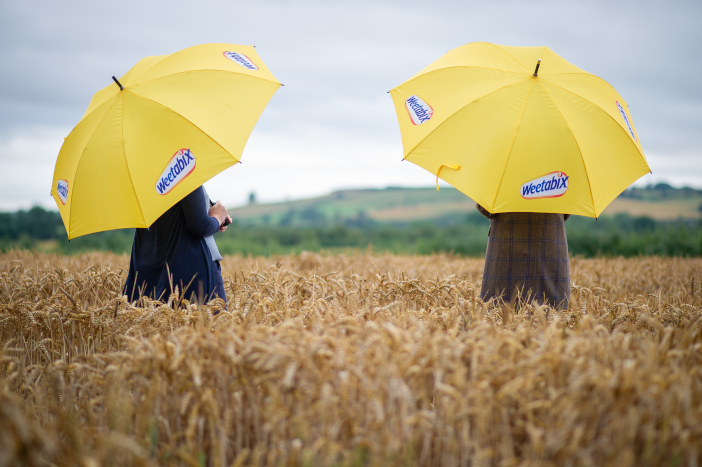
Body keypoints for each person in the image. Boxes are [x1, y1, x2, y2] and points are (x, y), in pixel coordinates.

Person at [123, 185, 231, 305]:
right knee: (207, 323)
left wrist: (209, 214)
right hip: (189, 271)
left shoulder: (140, 177)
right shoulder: (184, 169)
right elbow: (200, 226)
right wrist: (217, 217)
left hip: (148, 269)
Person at [477, 204, 570, 309]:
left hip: (506, 244)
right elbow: (566, 210)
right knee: (552, 312)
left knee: (500, 315)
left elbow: (485, 207)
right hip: (551, 241)